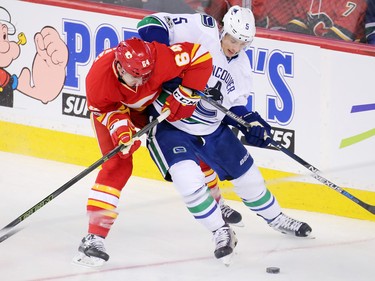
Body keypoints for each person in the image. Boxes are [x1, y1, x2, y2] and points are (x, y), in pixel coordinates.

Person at [137, 6, 312, 265]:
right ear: (222, 30)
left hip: (212, 129)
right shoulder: (202, 29)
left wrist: (250, 123)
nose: (235, 46)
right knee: (188, 181)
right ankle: (221, 231)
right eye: (232, 39)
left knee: (250, 179)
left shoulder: (242, 65)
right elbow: (149, 23)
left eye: (243, 42)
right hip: (172, 125)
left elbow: (235, 107)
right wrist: (164, 62)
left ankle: (276, 218)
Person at [72, 37, 213, 267]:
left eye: (145, 75)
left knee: (190, 141)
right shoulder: (98, 80)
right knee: (119, 165)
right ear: (119, 67)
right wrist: (122, 131)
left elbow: (200, 56)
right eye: (135, 75)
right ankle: (94, 237)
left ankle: (216, 200)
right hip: (114, 109)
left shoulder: (160, 58)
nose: (140, 81)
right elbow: (105, 111)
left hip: (150, 106)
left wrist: (188, 93)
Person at [285, 0, 367, 42]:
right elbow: (295, 28)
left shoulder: (354, 1)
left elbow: (337, 39)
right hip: (314, 51)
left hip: (349, 56)